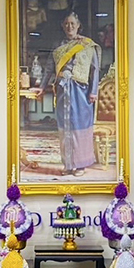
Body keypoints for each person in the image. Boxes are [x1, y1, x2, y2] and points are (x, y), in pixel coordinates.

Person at [33, 12, 101, 176]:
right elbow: (50, 67)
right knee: (65, 129)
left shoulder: (87, 44)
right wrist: (42, 87)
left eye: (72, 24)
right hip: (63, 90)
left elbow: (95, 69)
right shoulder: (58, 46)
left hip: (81, 91)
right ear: (63, 26)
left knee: (79, 128)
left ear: (78, 26)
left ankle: (81, 165)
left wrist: (93, 92)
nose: (69, 27)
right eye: (66, 24)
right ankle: (68, 165)